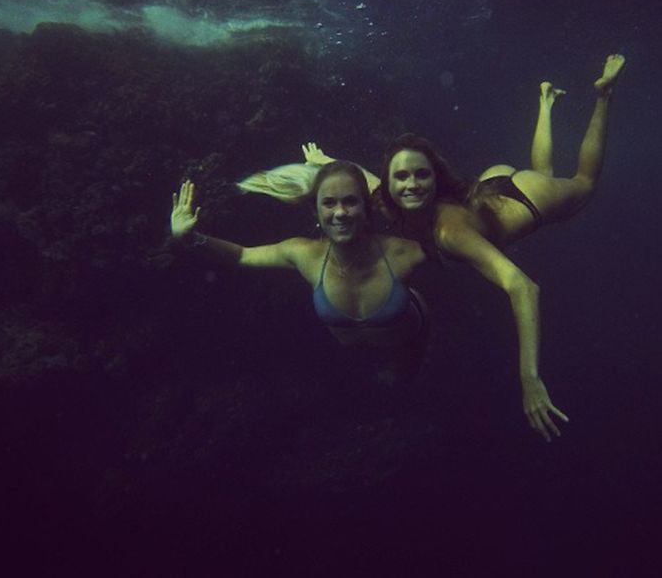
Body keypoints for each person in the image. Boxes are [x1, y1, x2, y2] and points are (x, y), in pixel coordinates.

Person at [237, 54, 625, 441]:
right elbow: (363, 178)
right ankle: (546, 101)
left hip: (524, 201)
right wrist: (328, 161)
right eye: (401, 177)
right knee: (543, 171)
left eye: (422, 176)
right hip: (486, 191)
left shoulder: (450, 236)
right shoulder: (388, 200)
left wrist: (530, 378)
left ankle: (603, 95)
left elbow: (523, 286)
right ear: (388, 184)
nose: (411, 186)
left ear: (435, 178)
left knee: (583, 183)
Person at [171, 161, 430, 383]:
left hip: (406, 343)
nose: (340, 213)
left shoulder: (401, 253)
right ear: (315, 210)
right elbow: (242, 255)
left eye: (350, 201)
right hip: (348, 357)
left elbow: (453, 247)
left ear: (366, 207)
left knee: (406, 381)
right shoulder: (305, 255)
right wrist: (191, 238)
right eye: (329, 203)